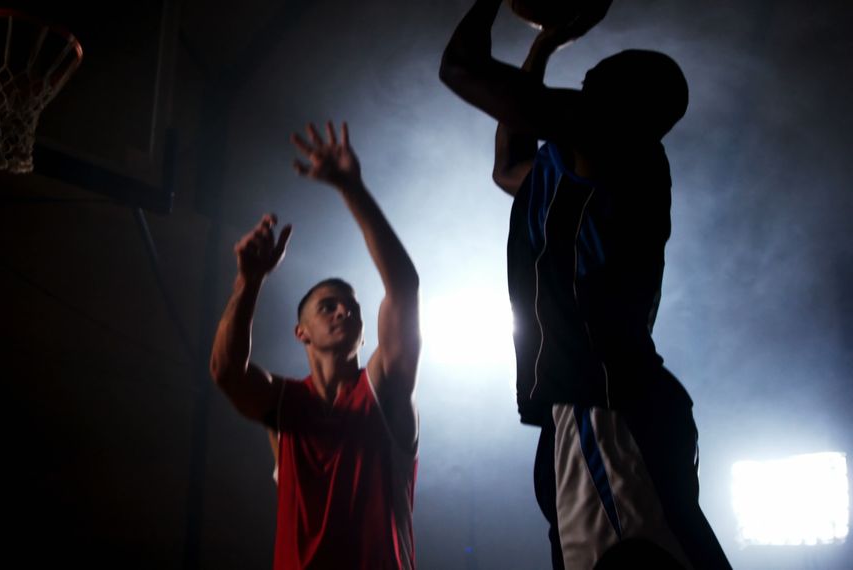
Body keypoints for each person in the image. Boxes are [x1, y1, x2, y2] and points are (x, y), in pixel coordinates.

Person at [440, 2, 731, 568]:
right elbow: (507, 169)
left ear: (631, 102)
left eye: (606, 71)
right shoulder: (579, 165)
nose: (591, 72)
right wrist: (542, 47)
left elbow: (461, 69)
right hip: (597, 402)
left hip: (606, 403)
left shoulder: (619, 144)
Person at [209, 121, 421, 569]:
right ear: (300, 332)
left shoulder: (385, 390)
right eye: (329, 306)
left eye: (351, 307)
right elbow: (226, 373)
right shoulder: (285, 405)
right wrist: (248, 281)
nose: (344, 311)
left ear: (366, 332)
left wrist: (352, 188)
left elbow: (403, 286)